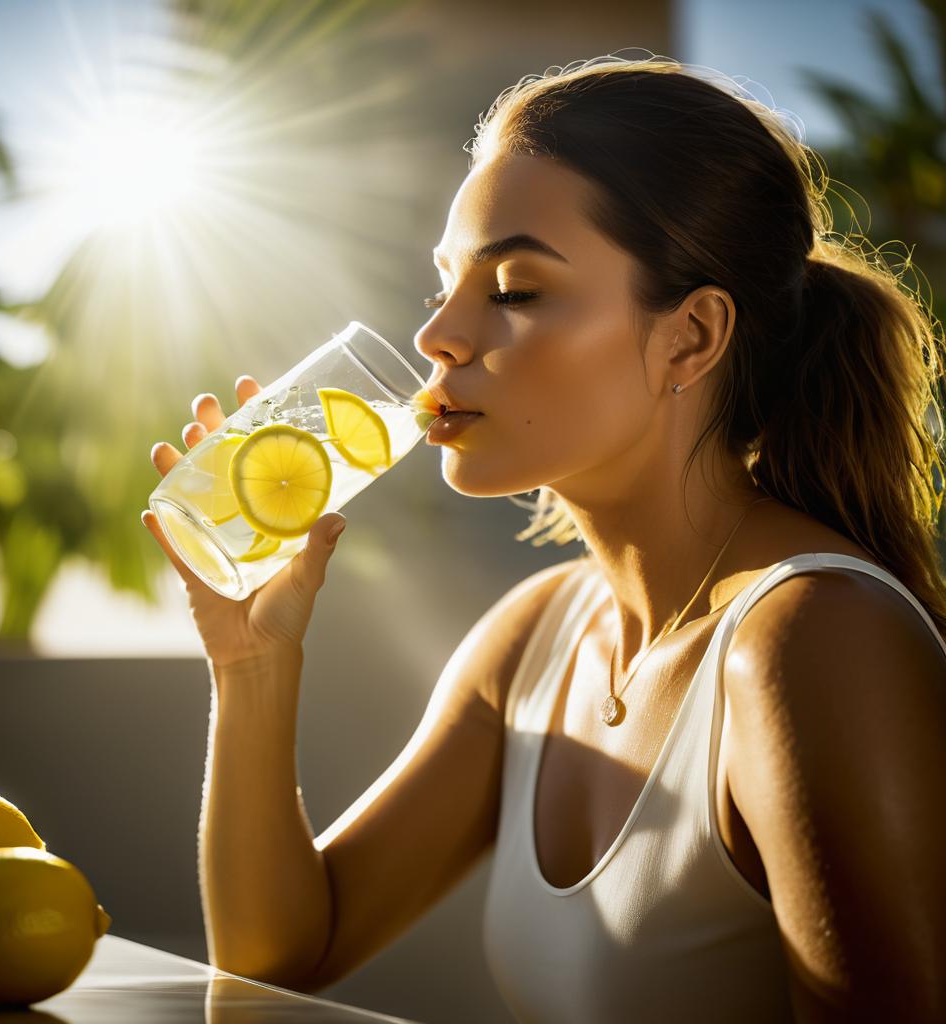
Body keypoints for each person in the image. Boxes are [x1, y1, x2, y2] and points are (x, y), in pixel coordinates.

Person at [141, 55, 946, 1022]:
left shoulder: (815, 640)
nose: (439, 333)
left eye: (515, 290)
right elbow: (281, 952)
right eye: (445, 283)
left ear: (690, 336)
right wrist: (253, 666)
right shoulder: (537, 638)